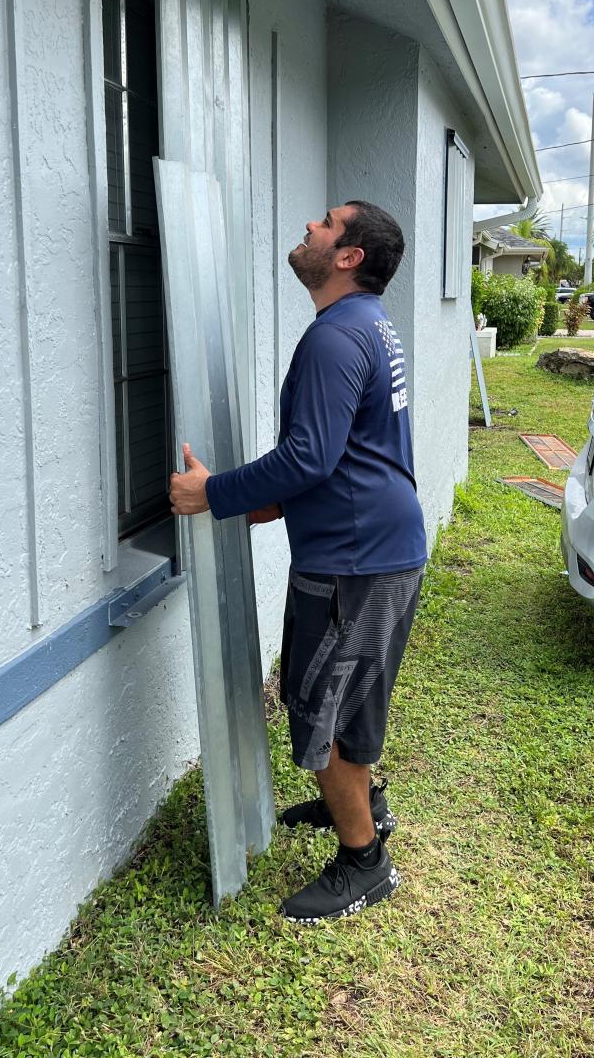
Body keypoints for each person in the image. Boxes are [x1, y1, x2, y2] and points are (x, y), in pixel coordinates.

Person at [168, 200, 427, 923]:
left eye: (325, 222)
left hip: (352, 562)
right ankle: (365, 801)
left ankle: (365, 862)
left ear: (347, 255)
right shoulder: (370, 326)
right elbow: (344, 453)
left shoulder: (334, 339)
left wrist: (212, 493)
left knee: (320, 712)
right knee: (356, 695)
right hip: (385, 549)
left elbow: (309, 456)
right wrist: (266, 503)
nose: (310, 228)